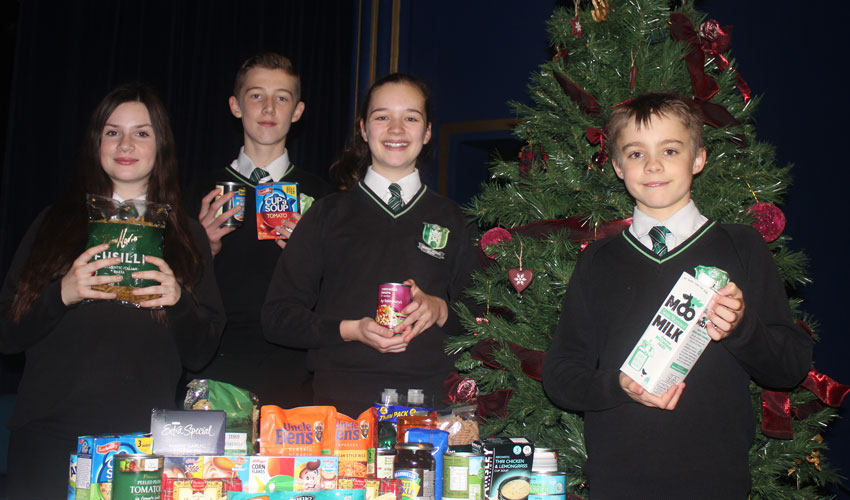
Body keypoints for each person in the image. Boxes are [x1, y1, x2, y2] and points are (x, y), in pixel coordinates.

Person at [541, 93, 813, 499]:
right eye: (635, 153)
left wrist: (741, 329)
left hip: (715, 479)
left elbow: (790, 368)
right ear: (617, 166)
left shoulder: (742, 247)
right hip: (619, 481)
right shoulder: (598, 260)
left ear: (698, 158)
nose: (653, 165)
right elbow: (561, 376)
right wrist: (619, 386)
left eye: (670, 149)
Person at [0, 83, 225, 499]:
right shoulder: (54, 224)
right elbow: (7, 335)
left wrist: (177, 303)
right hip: (47, 442)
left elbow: (201, 352)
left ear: (161, 147)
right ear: (95, 143)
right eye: (112, 131)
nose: (126, 144)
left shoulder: (186, 235)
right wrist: (61, 293)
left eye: (142, 133)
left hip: (138, 447)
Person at [261, 73, 480, 416]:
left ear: (427, 132)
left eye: (410, 117)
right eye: (382, 117)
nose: (396, 129)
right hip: (341, 406)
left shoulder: (454, 218)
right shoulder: (327, 214)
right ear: (364, 129)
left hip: (431, 407)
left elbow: (483, 319)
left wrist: (440, 310)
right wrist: (351, 330)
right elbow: (277, 318)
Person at [188, 53, 331, 407]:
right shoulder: (197, 191)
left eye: (281, 98)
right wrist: (201, 248)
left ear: (297, 111)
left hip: (296, 372)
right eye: (256, 96)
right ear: (236, 106)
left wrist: (311, 258)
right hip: (217, 364)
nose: (268, 108)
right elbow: (173, 295)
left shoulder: (324, 197)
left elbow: (338, 295)